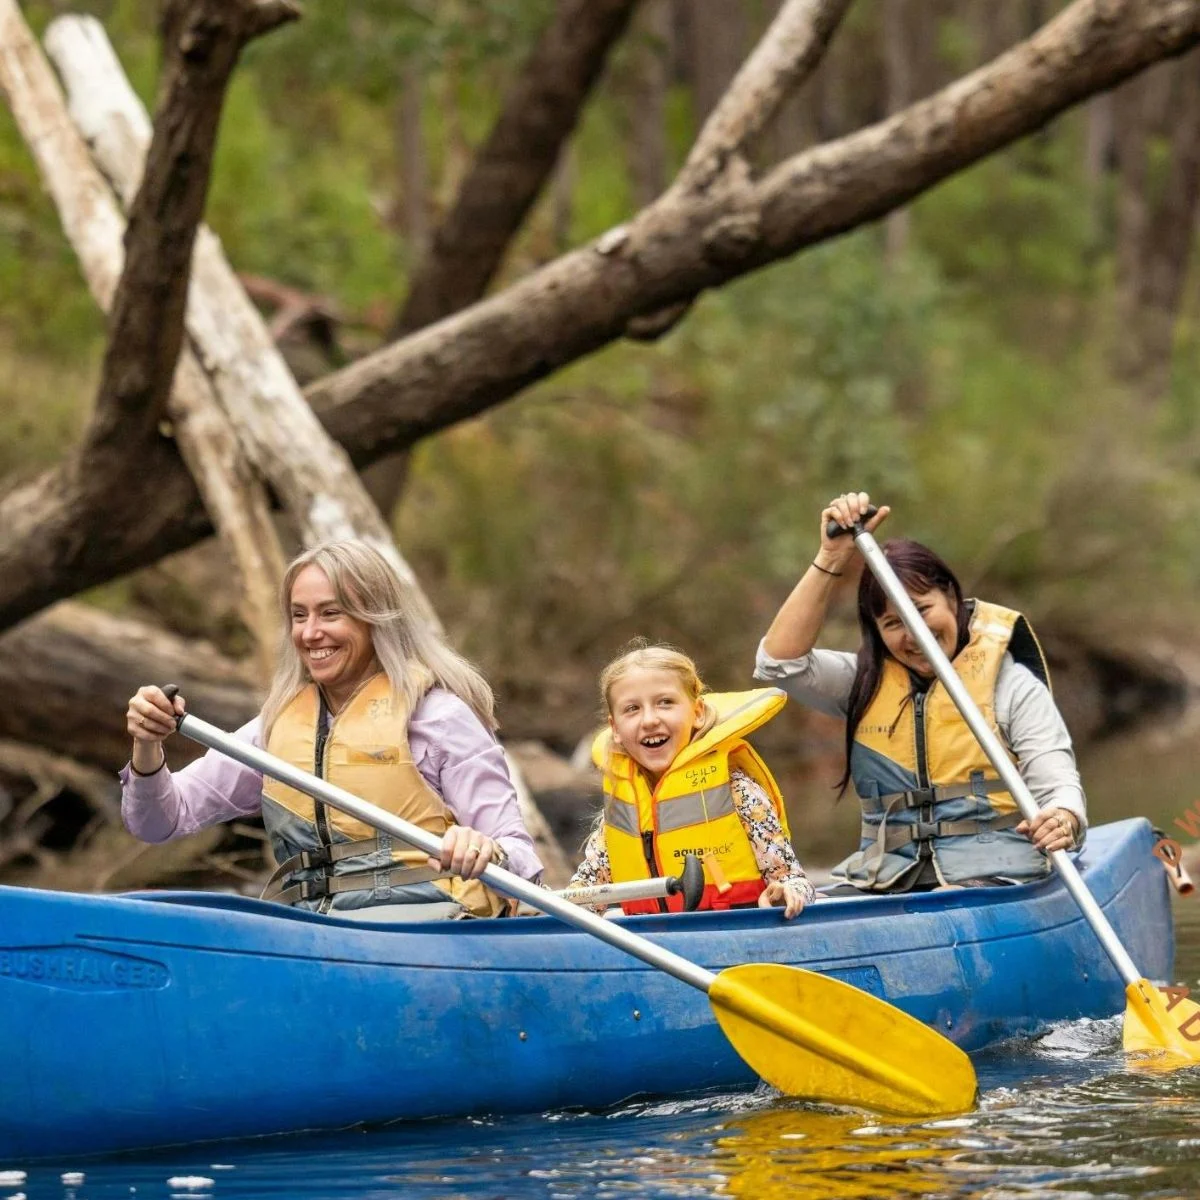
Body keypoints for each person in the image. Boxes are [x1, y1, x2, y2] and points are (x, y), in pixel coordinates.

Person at [122, 539, 542, 920]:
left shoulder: (439, 718)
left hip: (424, 935)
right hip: (309, 933)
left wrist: (487, 850)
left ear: (374, 619)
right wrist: (147, 746)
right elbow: (160, 821)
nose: (310, 633)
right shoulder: (272, 730)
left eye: (330, 613)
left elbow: (520, 857)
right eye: (299, 616)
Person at [754, 491, 1087, 893]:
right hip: (884, 877)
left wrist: (1063, 817)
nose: (913, 636)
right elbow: (778, 663)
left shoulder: (1012, 686)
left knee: (952, 899)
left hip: (998, 872)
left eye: (922, 610)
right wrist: (831, 557)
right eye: (893, 623)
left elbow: (1058, 786)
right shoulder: (862, 680)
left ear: (951, 597)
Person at [568, 641, 815, 918]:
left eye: (665, 703)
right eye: (632, 709)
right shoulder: (619, 813)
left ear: (697, 712)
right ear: (615, 728)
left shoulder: (740, 793)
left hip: (734, 936)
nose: (649, 720)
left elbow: (795, 879)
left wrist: (788, 891)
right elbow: (585, 894)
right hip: (649, 947)